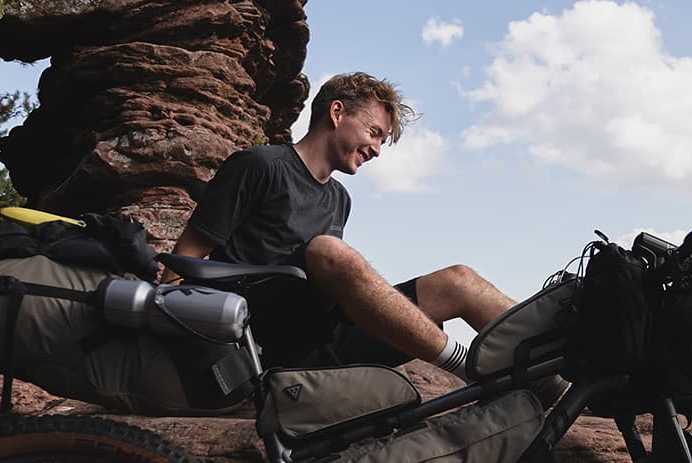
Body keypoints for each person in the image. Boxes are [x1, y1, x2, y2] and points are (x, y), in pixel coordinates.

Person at [170, 72, 516, 374]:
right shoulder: (260, 165)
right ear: (337, 112)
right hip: (258, 339)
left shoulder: (339, 199)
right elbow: (183, 261)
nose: (378, 149)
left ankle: (558, 366)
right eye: (374, 132)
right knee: (328, 250)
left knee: (459, 281)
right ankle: (466, 366)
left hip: (323, 336)